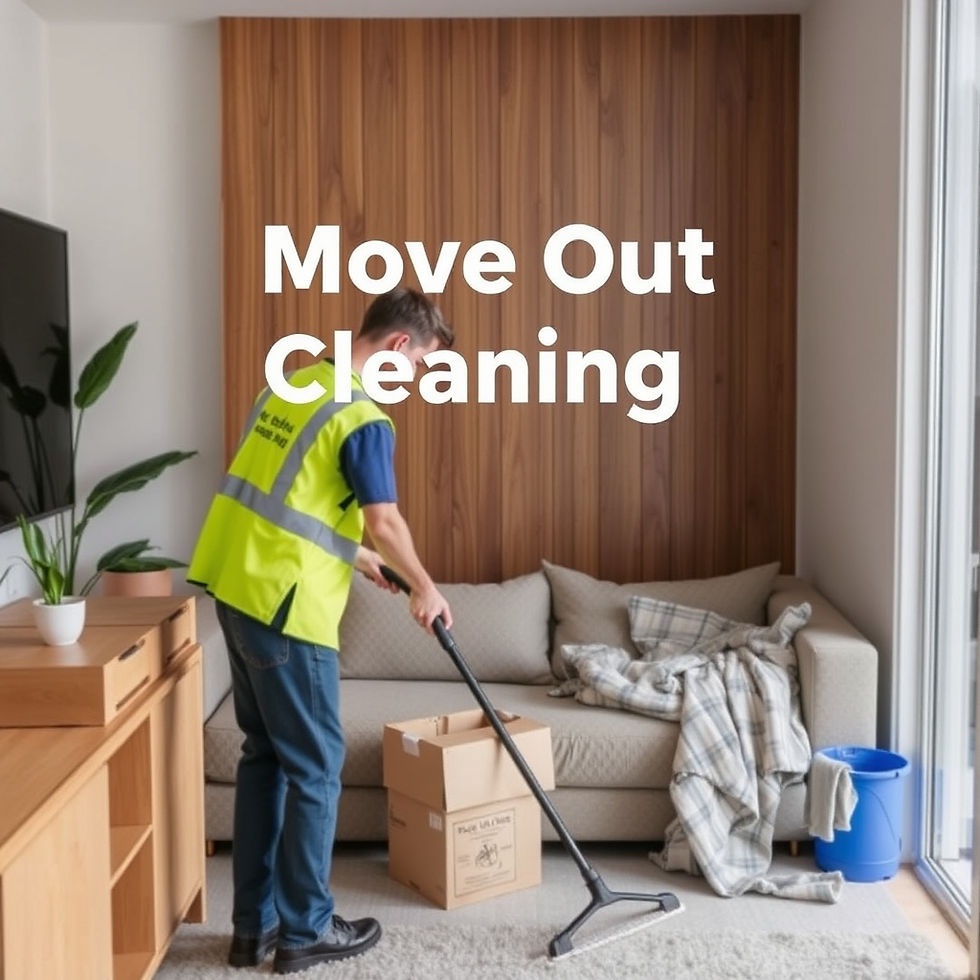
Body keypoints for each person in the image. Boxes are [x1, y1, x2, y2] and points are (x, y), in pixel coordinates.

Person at [187, 287, 454, 975]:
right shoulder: (364, 415)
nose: (415, 383)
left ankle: (254, 930)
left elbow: (285, 494)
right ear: (399, 347)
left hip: (235, 588)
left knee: (265, 759)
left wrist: (354, 555)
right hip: (286, 608)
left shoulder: (298, 382)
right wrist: (424, 586)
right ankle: (305, 930)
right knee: (316, 769)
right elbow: (384, 518)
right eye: (420, 368)